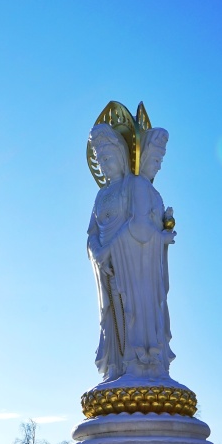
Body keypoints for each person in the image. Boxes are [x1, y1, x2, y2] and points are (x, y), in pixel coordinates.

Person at [87, 123, 175, 381]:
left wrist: (160, 233)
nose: (104, 164)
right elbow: (92, 232)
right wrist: (98, 254)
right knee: (113, 319)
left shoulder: (132, 186)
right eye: (100, 160)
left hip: (134, 266)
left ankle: (140, 363)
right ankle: (117, 367)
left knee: (135, 311)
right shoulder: (101, 196)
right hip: (109, 266)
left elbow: (138, 227)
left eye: (108, 157)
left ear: (121, 157)